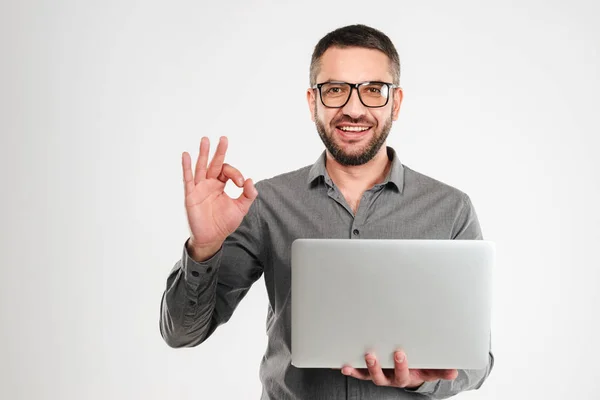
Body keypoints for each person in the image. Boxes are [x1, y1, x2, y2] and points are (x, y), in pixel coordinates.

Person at [160, 24, 494, 399]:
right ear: (312, 102)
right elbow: (182, 333)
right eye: (335, 90)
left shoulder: (450, 208)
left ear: (395, 103)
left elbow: (476, 362)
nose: (354, 108)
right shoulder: (265, 202)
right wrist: (204, 248)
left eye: (372, 90)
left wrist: (419, 378)